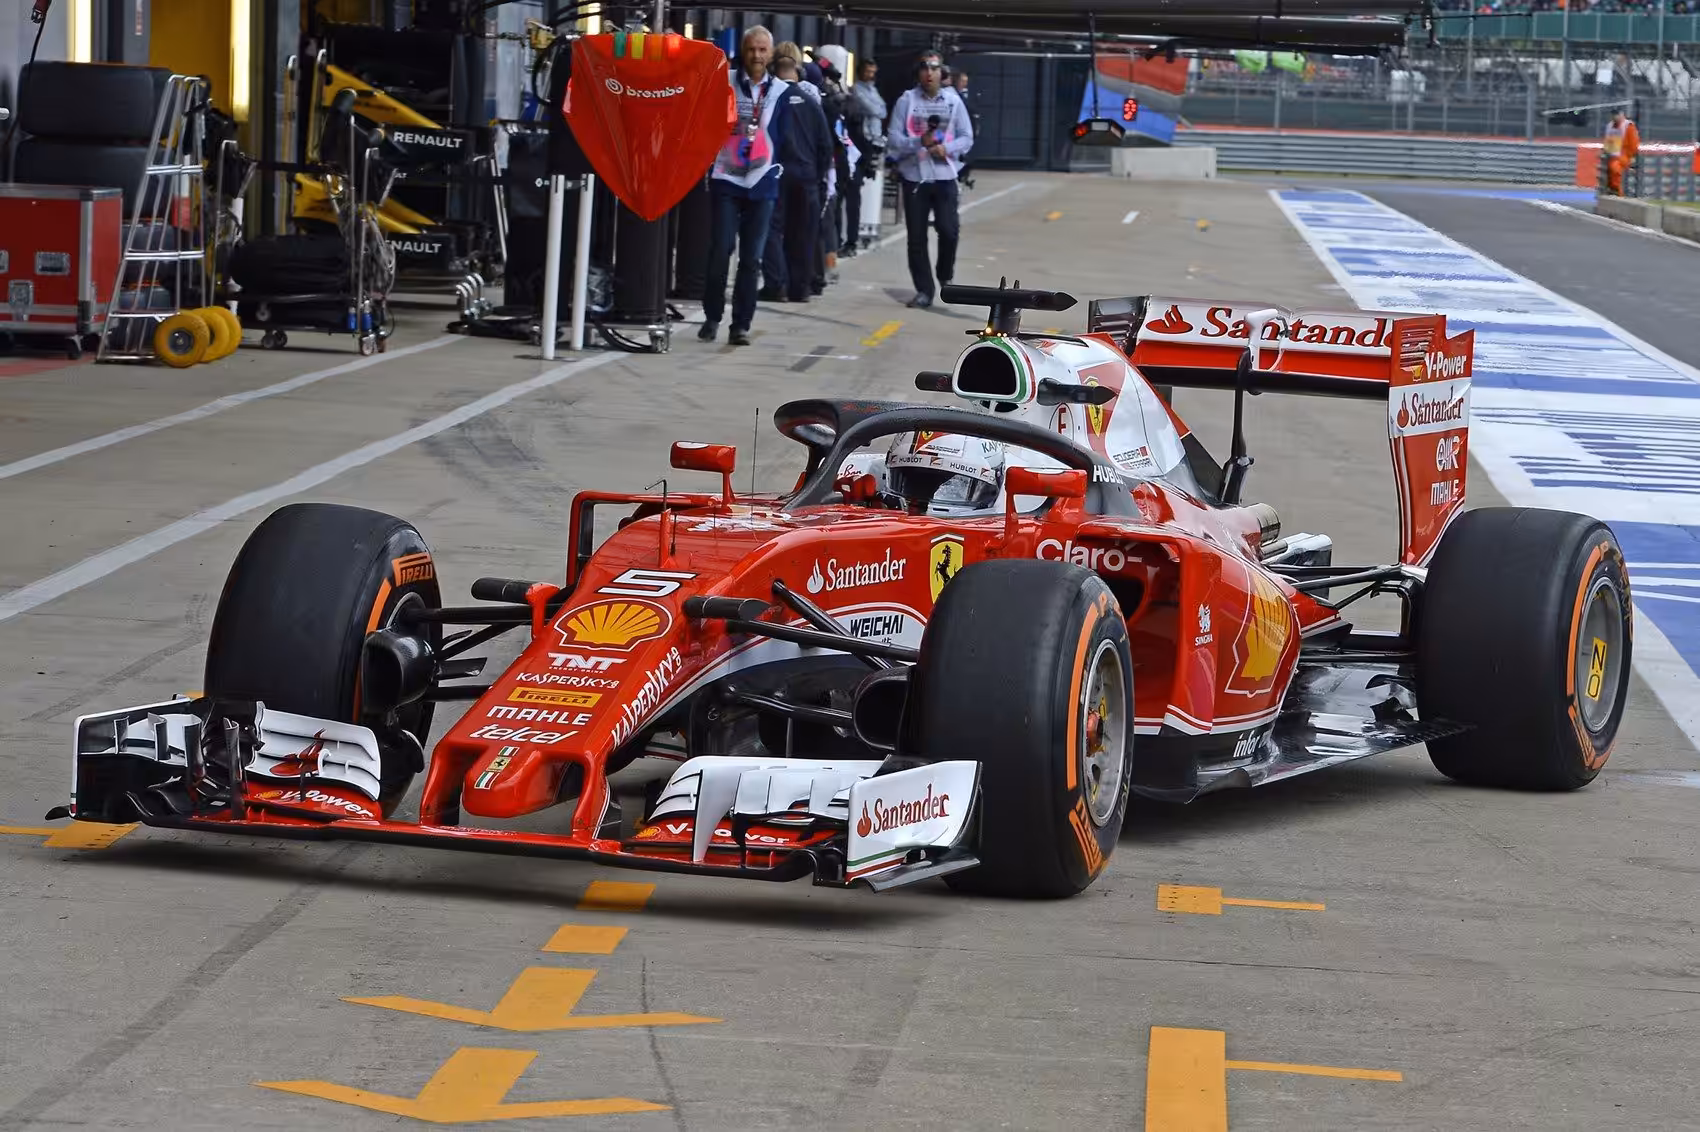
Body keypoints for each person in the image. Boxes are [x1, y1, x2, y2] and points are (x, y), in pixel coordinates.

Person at [700, 26, 793, 347]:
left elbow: (785, 136)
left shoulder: (781, 91)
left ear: (771, 53)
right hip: (727, 178)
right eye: (752, 49)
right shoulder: (725, 81)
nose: (757, 55)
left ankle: (740, 325)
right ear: (744, 50)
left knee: (751, 259)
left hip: (762, 182)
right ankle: (712, 316)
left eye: (763, 50)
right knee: (720, 250)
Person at [886, 49, 974, 309]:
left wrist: (947, 148)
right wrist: (918, 142)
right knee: (916, 237)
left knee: (949, 230)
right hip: (915, 177)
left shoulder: (953, 101)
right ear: (918, 73)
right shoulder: (906, 100)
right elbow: (894, 138)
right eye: (924, 68)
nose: (929, 73)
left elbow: (966, 137)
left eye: (934, 68)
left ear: (941, 73)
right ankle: (924, 290)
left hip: (945, 175)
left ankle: (945, 273)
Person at [759, 52, 832, 305]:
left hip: (776, 174)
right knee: (803, 233)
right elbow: (825, 145)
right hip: (807, 176)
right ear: (797, 73)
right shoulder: (811, 102)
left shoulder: (770, 100)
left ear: (774, 73)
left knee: (771, 228)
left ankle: (776, 284)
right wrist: (816, 175)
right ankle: (800, 289)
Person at [843, 57, 888, 256]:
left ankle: (856, 236)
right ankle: (850, 238)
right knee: (853, 191)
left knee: (863, 190)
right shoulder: (856, 91)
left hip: (873, 143)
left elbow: (882, 110)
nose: (871, 75)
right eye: (868, 71)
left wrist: (877, 109)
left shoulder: (872, 90)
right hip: (862, 142)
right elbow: (875, 109)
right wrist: (877, 109)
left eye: (873, 71)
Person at [1603, 108, 1640, 196]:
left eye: (1617, 115)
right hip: (1612, 154)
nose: (1614, 117)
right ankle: (1612, 189)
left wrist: (1632, 156)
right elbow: (1608, 142)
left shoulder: (1628, 126)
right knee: (1609, 168)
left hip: (1624, 155)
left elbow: (1633, 143)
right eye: (1613, 115)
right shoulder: (1609, 126)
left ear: (1622, 115)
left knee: (1615, 168)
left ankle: (1618, 191)